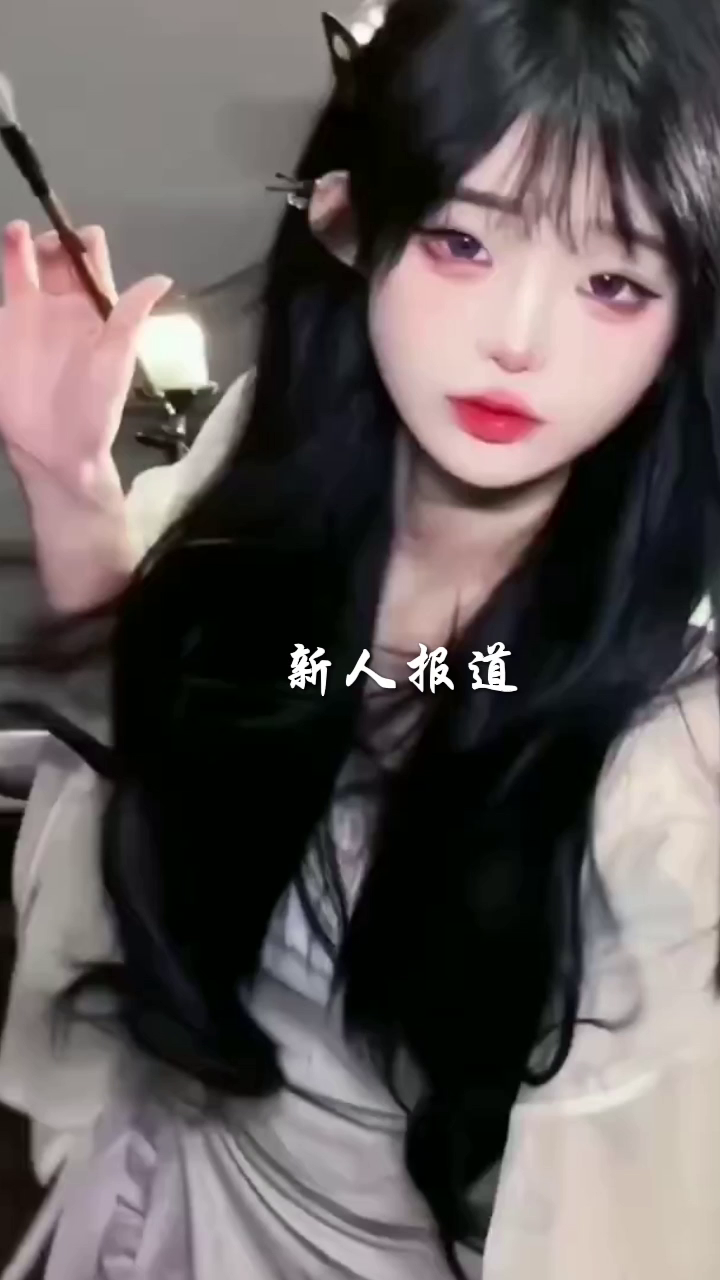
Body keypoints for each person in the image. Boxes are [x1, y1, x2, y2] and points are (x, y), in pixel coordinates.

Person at [0, 0, 720, 1274]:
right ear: (346, 220)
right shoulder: (252, 464)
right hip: (166, 1196)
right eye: (460, 241)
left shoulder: (672, 759)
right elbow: (162, 749)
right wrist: (67, 481)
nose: (519, 337)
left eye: (614, 281)